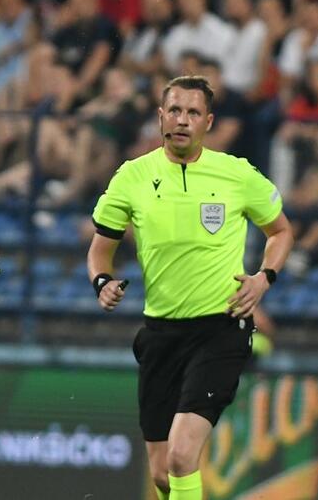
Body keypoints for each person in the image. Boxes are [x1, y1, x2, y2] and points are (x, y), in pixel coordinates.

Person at [88, 75, 293, 500]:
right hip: (160, 334)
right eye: (175, 111)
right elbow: (99, 250)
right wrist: (102, 281)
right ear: (161, 117)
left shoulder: (236, 173)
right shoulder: (132, 177)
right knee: (163, 474)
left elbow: (281, 232)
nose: (183, 120)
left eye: (194, 112)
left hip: (221, 328)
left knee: (183, 456)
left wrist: (263, 278)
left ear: (209, 121)